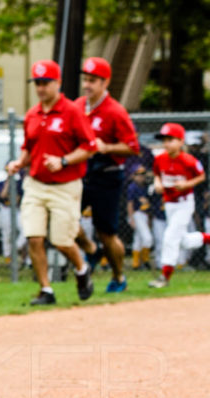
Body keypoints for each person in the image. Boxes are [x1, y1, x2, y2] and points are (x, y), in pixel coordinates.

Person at [6, 60, 97, 306]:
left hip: (65, 185)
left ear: (58, 83)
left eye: (46, 83)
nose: (41, 88)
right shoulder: (32, 114)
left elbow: (90, 146)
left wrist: (64, 160)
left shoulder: (72, 111)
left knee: (62, 241)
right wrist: (19, 162)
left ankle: (81, 269)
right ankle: (46, 289)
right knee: (34, 237)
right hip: (35, 183)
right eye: (38, 83)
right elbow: (29, 146)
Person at [75, 57, 140, 293]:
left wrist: (107, 147)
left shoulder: (115, 111)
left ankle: (118, 276)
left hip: (107, 175)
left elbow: (133, 147)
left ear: (105, 82)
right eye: (86, 80)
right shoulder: (78, 106)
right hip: (82, 173)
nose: (87, 85)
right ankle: (92, 250)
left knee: (107, 232)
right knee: (65, 221)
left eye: (93, 81)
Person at [148, 122, 209, 288]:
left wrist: (188, 184)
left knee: (169, 237)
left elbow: (201, 176)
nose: (167, 143)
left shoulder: (188, 160)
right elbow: (156, 175)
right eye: (164, 140)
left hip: (184, 203)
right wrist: (157, 183)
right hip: (169, 203)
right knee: (183, 241)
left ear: (181, 141)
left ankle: (164, 277)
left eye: (171, 139)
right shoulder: (160, 158)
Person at [125, 166, 153, 270]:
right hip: (137, 214)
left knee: (138, 239)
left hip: (145, 214)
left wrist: (149, 218)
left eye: (142, 175)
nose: (141, 177)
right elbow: (130, 204)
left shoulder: (145, 187)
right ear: (133, 176)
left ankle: (136, 263)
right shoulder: (132, 187)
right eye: (138, 175)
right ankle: (145, 260)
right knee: (147, 238)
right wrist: (131, 218)